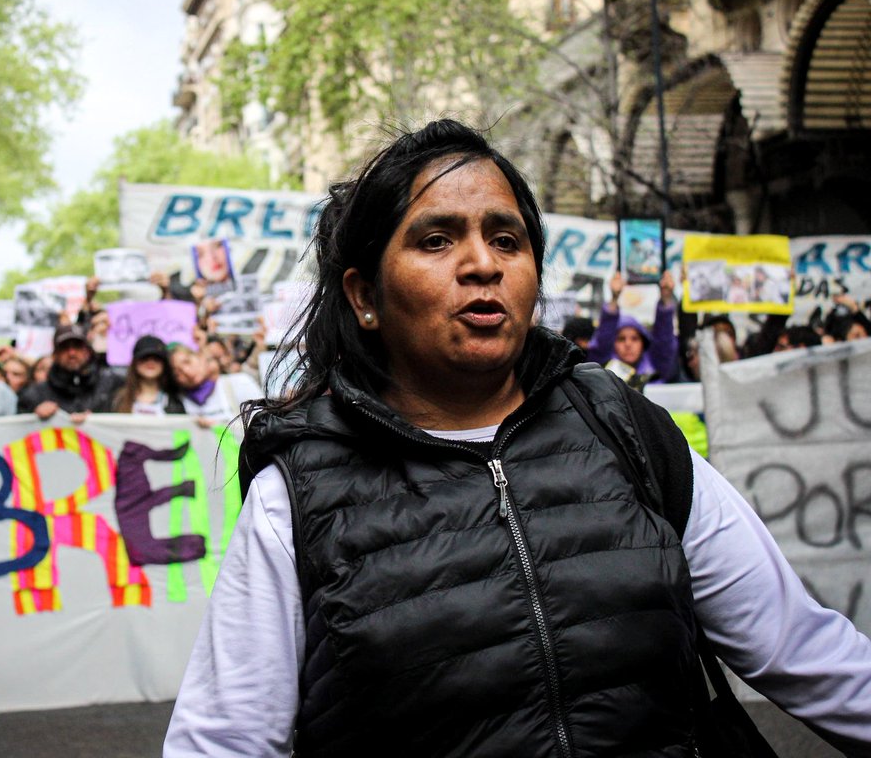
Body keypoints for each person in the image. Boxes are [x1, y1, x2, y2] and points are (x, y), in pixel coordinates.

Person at [163, 120, 871, 757]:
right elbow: (225, 740)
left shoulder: (623, 429)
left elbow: (804, 652)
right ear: (364, 297)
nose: (483, 264)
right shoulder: (297, 494)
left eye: (507, 239)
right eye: (436, 240)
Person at [586, 270, 680, 389]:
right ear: (612, 343)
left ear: (643, 343)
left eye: (635, 339)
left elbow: (664, 338)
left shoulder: (656, 366)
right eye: (621, 339)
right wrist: (614, 298)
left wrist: (666, 299)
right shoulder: (602, 369)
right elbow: (603, 340)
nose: (628, 344)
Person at [18, 323, 123, 418]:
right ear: (55, 355)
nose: (71, 353)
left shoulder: (112, 386)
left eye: (77, 346)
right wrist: (34, 414)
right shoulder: (35, 395)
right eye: (64, 347)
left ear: (87, 351)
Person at [168, 344, 260, 423]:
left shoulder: (239, 383)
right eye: (177, 373)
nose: (187, 372)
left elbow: (264, 425)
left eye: (187, 362)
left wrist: (218, 426)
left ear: (200, 357)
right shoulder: (176, 402)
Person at [112, 335, 185, 415]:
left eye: (156, 358)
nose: (150, 362)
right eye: (144, 358)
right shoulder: (117, 399)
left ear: (164, 364)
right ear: (135, 363)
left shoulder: (177, 400)